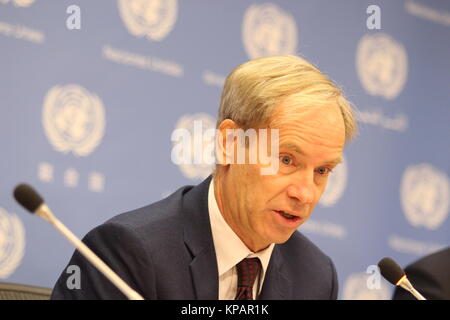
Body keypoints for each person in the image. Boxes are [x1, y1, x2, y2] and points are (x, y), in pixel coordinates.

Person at [51, 55, 357, 300]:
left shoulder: (316, 277)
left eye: (321, 171)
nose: (305, 193)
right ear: (230, 144)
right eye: (287, 159)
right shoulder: (128, 253)